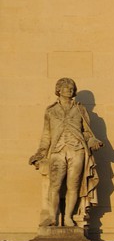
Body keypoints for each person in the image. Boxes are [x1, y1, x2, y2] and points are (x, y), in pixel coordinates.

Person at [30, 77, 102, 228]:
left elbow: (87, 132)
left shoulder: (80, 109)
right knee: (55, 185)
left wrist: (93, 141)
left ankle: (68, 217)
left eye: (71, 88)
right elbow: (46, 135)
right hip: (57, 149)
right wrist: (41, 153)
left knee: (73, 185)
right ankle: (52, 216)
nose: (69, 90)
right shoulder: (51, 110)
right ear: (59, 90)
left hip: (77, 149)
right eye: (66, 87)